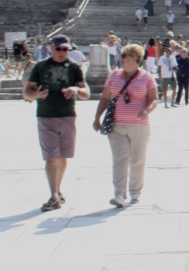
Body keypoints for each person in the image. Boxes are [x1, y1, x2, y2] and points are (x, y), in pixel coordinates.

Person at [24, 35, 89, 212]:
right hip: (46, 116)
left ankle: (58, 189)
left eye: (65, 49)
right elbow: (27, 92)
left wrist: (75, 89)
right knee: (51, 157)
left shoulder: (74, 68)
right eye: (58, 49)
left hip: (68, 115)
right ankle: (53, 195)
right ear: (51, 48)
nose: (61, 52)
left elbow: (86, 92)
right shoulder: (41, 66)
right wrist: (37, 95)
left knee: (62, 156)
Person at [92, 44, 158, 208]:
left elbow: (154, 98)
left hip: (139, 125)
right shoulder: (114, 75)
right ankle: (119, 194)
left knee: (137, 159)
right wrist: (97, 117)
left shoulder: (146, 77)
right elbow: (105, 97)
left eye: (123, 56)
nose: (120, 59)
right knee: (119, 160)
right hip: (116, 125)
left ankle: (135, 192)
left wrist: (147, 110)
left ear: (135, 58)